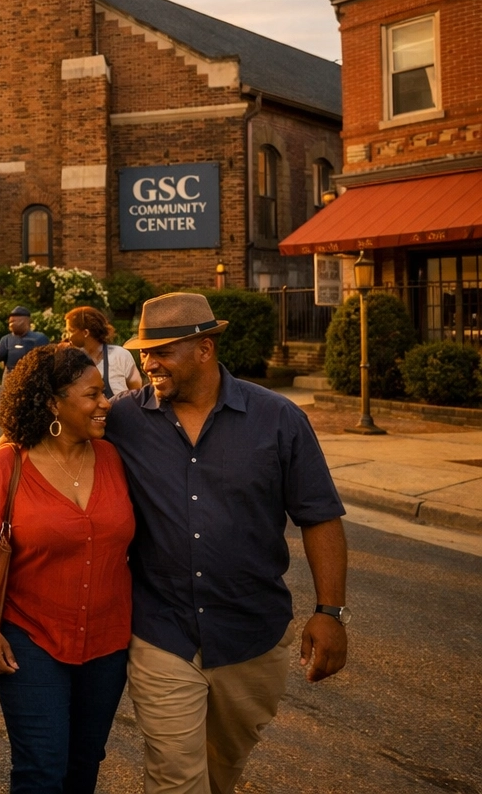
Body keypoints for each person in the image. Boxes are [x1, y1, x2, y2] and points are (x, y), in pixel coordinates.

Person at [105, 293, 349, 794]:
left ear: (204, 349)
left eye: (162, 351)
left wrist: (330, 611)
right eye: (143, 352)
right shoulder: (123, 420)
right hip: (162, 630)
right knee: (175, 777)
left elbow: (319, 516)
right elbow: (52, 430)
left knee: (221, 772)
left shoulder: (278, 418)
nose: (148, 363)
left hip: (251, 633)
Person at [0, 344, 134, 794]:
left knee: (85, 763)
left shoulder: (112, 458)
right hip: (30, 641)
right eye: (92, 395)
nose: (106, 403)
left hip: (109, 642)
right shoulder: (7, 464)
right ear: (52, 402)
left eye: (104, 393)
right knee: (41, 768)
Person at [65, 305, 141, 397]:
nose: (67, 336)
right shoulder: (72, 361)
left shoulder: (120, 355)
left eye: (71, 331)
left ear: (85, 333)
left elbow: (137, 392)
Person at [0, 306, 48, 374]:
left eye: (13, 321)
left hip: (32, 375)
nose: (10, 324)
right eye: (10, 322)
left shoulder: (39, 338)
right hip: (11, 376)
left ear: (24, 321)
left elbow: (47, 360)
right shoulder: (7, 339)